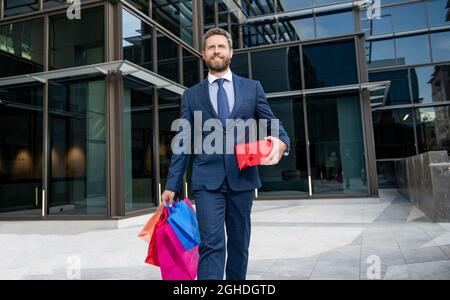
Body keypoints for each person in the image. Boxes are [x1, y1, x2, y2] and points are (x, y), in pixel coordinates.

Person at [160, 28, 290, 280]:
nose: (216, 51)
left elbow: (270, 121)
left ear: (230, 52)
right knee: (212, 244)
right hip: (207, 182)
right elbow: (183, 141)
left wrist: (282, 141)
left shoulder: (252, 88)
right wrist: (172, 184)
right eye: (211, 47)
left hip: (242, 178)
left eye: (221, 46)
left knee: (239, 244)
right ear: (203, 54)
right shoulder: (192, 95)